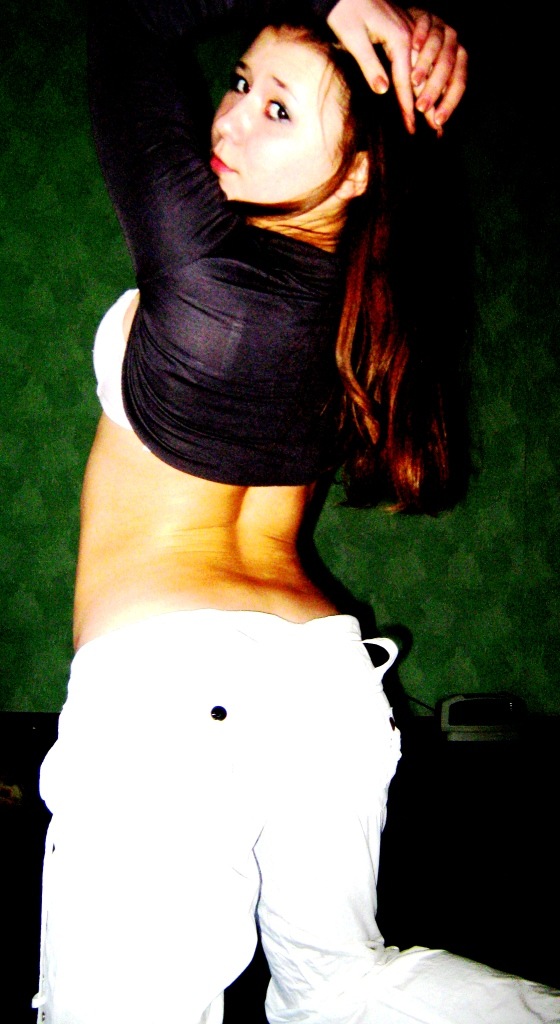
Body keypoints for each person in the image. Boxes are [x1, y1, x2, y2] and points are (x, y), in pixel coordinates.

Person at [32, 1, 559, 1022]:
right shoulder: (365, 318)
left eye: (279, 108)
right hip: (322, 683)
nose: (229, 119)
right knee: (346, 983)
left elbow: (129, 20)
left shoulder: (203, 266)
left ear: (358, 172)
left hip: (170, 692)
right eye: (238, 82)